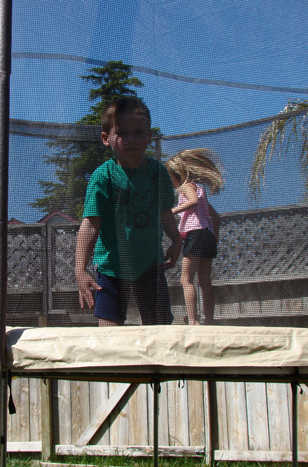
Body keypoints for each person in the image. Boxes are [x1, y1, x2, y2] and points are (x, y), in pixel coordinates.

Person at [75, 96, 182, 327]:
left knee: (159, 327)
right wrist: (80, 269)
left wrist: (176, 239)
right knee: (109, 329)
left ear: (149, 136)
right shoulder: (103, 177)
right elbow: (90, 225)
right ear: (106, 138)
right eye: (122, 133)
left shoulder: (158, 174)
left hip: (149, 264)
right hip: (111, 267)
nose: (131, 139)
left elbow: (165, 213)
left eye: (139, 132)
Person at [165, 149, 223, 325]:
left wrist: (170, 212)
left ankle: (193, 321)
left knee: (186, 279)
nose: (170, 182)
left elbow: (193, 202)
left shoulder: (186, 187)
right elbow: (216, 217)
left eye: (170, 177)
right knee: (204, 280)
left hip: (196, 234)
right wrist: (215, 236)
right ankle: (209, 320)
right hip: (207, 235)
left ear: (177, 174)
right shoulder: (199, 189)